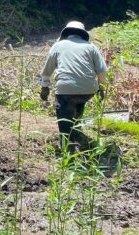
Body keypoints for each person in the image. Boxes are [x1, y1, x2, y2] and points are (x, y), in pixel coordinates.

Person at [39, 21, 108, 152]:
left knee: (64, 115)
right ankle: (76, 131)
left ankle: (67, 147)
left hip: (65, 89)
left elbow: (46, 71)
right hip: (88, 90)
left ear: (66, 33)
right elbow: (102, 71)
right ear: (82, 34)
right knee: (79, 102)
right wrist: (102, 88)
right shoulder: (91, 47)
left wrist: (44, 88)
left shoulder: (58, 46)